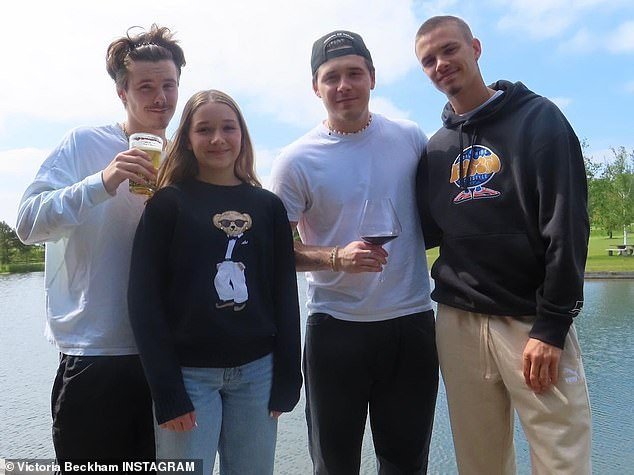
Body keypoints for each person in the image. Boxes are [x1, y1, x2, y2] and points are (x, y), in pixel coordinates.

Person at [414, 15, 592, 475]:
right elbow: (427, 231)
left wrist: (552, 326)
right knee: (480, 462)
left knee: (562, 458)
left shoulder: (539, 120)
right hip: (458, 321)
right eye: (428, 60)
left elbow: (567, 226)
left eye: (449, 50)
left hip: (530, 320)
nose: (440, 64)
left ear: (475, 48)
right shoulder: (436, 149)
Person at [15, 25, 186, 468]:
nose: (160, 98)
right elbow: (27, 224)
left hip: (167, 359)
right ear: (121, 92)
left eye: (169, 85)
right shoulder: (84, 144)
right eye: (145, 87)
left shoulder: (183, 158)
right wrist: (102, 182)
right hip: (94, 354)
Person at [270, 30, 438, 474]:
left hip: (410, 324)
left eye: (354, 73)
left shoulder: (410, 138)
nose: (343, 85)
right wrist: (335, 257)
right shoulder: (295, 159)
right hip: (335, 329)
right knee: (334, 465)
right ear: (316, 87)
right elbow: (275, 253)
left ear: (372, 78)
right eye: (331, 77)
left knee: (407, 464)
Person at [127, 89, 302, 474]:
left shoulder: (268, 207)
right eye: (204, 129)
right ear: (187, 140)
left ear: (243, 135)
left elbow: (284, 295)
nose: (217, 138)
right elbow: (143, 301)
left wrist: (290, 376)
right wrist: (167, 391)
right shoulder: (167, 205)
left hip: (258, 374)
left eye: (228, 128)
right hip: (189, 377)